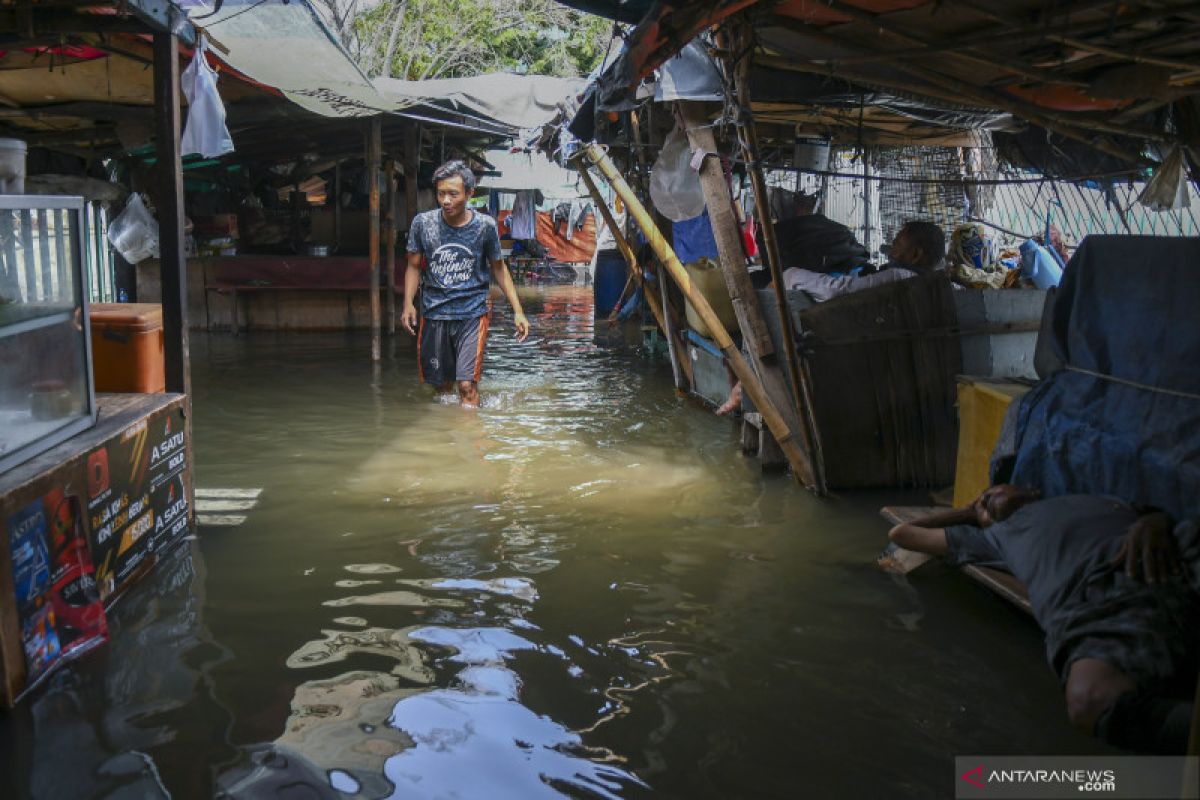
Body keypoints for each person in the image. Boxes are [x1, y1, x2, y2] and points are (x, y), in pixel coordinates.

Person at [889, 484, 1199, 753]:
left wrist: (1155, 521)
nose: (986, 498)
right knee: (1089, 701)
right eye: (982, 501)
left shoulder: (1092, 499)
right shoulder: (993, 538)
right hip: (1103, 595)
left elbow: (1152, 513)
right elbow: (902, 533)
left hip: (1169, 550)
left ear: (1028, 490)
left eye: (993, 490)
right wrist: (969, 514)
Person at [401, 160, 530, 408]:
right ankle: (447, 440)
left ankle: (470, 441)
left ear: (470, 193)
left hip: (472, 313)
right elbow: (414, 266)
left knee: (466, 386)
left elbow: (499, 269)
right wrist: (408, 303)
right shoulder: (423, 223)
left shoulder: (485, 227)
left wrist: (518, 311)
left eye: (453, 194)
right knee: (441, 387)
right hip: (434, 312)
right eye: (441, 194)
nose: (446, 200)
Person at [783, 219, 947, 303]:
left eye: (897, 244)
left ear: (915, 255)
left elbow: (840, 291)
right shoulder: (923, 285)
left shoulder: (901, 277)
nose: (892, 249)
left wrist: (791, 276)